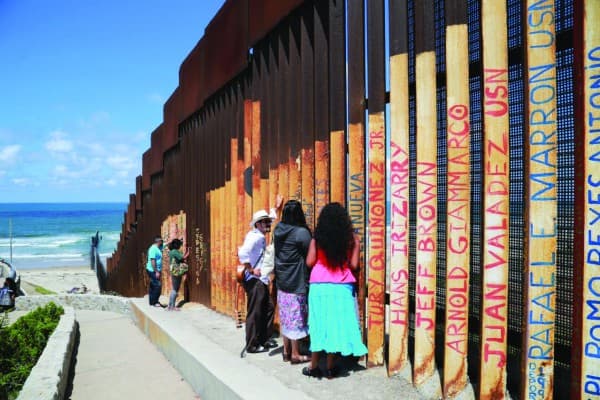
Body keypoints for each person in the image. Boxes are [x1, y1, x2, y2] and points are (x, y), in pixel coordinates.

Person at [302, 202, 367, 379]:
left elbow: (309, 262)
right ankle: (330, 367)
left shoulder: (317, 239)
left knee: (318, 324)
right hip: (342, 285)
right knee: (335, 325)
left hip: (319, 285)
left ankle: (314, 366)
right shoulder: (352, 239)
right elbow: (354, 265)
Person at [238, 196, 283, 355]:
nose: (268, 224)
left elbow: (270, 217)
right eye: (265, 222)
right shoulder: (255, 237)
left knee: (268, 307)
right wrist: (251, 269)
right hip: (255, 280)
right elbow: (242, 252)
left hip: (261, 280)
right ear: (258, 224)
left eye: (267, 222)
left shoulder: (259, 233)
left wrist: (275, 208)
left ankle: (264, 338)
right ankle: (252, 344)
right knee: (255, 311)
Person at [273, 200, 311, 364]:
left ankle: (286, 351)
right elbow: (311, 251)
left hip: (282, 279)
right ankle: (296, 354)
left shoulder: (278, 230)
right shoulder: (300, 232)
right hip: (297, 279)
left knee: (286, 315)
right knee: (296, 315)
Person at [167, 238, 189, 311]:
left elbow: (179, 259)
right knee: (175, 290)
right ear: (177, 245)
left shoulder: (171, 252)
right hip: (176, 272)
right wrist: (188, 252)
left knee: (173, 289)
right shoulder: (175, 252)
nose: (180, 246)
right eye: (180, 244)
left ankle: (170, 306)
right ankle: (172, 306)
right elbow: (182, 257)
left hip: (173, 272)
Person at [146, 235, 165, 307]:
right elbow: (152, 261)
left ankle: (151, 302)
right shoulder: (153, 249)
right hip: (152, 270)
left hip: (155, 270)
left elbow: (166, 244)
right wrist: (156, 271)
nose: (163, 242)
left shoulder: (159, 247)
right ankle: (155, 302)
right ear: (159, 241)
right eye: (162, 241)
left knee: (153, 285)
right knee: (157, 285)